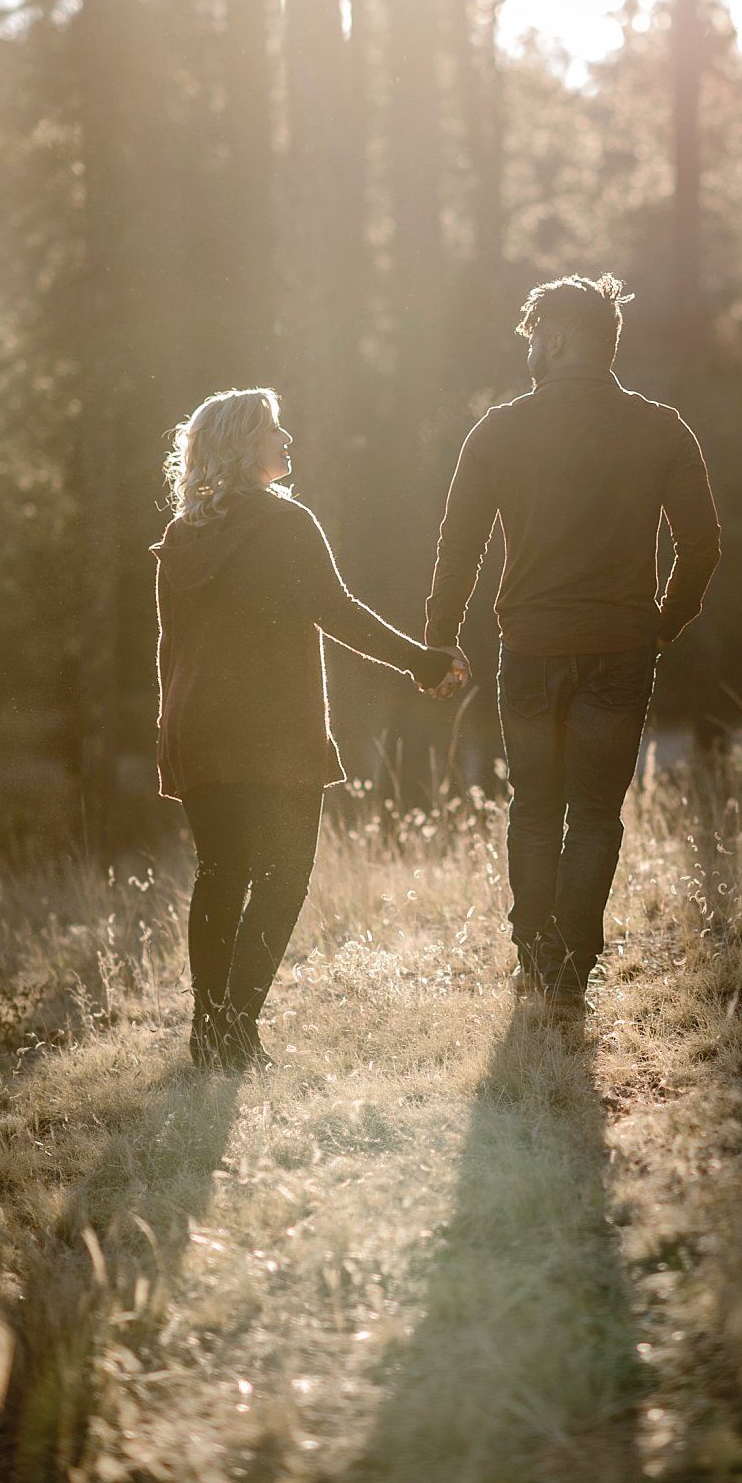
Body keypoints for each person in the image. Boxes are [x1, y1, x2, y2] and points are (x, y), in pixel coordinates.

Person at [425, 274, 721, 1013]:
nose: (528, 347)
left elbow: (457, 548)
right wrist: (664, 621)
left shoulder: (496, 430)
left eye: (532, 335)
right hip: (621, 651)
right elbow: (703, 543)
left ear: (555, 338)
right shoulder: (661, 428)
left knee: (532, 807)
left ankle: (535, 961)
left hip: (527, 651)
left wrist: (438, 637)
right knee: (594, 813)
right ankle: (567, 980)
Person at [153, 387, 462, 1071]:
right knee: (284, 877)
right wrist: (422, 661)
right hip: (274, 731)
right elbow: (338, 611)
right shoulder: (284, 523)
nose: (287, 441)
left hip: (199, 726)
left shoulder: (180, 538)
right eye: (274, 431)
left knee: (220, 874)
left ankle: (212, 1033)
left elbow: (168, 649)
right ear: (243, 445)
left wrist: (170, 738)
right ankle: (234, 1028)